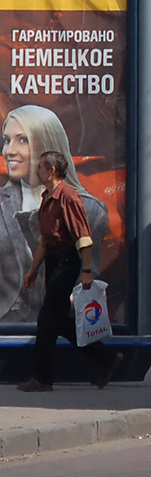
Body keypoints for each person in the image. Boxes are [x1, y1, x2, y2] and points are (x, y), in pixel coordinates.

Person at [16, 151, 122, 392]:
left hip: (66, 261)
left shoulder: (68, 197)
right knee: (59, 322)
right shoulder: (48, 197)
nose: (37, 171)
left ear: (52, 171)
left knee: (47, 319)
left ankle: (42, 379)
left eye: (41, 167)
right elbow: (45, 240)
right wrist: (33, 269)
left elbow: (83, 237)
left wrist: (86, 270)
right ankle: (106, 358)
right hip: (53, 259)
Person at [0, 105, 109, 324]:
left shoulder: (89, 209)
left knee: (51, 334)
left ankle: (106, 357)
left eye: (23, 140)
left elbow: (87, 259)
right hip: (7, 321)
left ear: (46, 144)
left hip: (62, 309)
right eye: (6, 140)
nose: (9, 150)